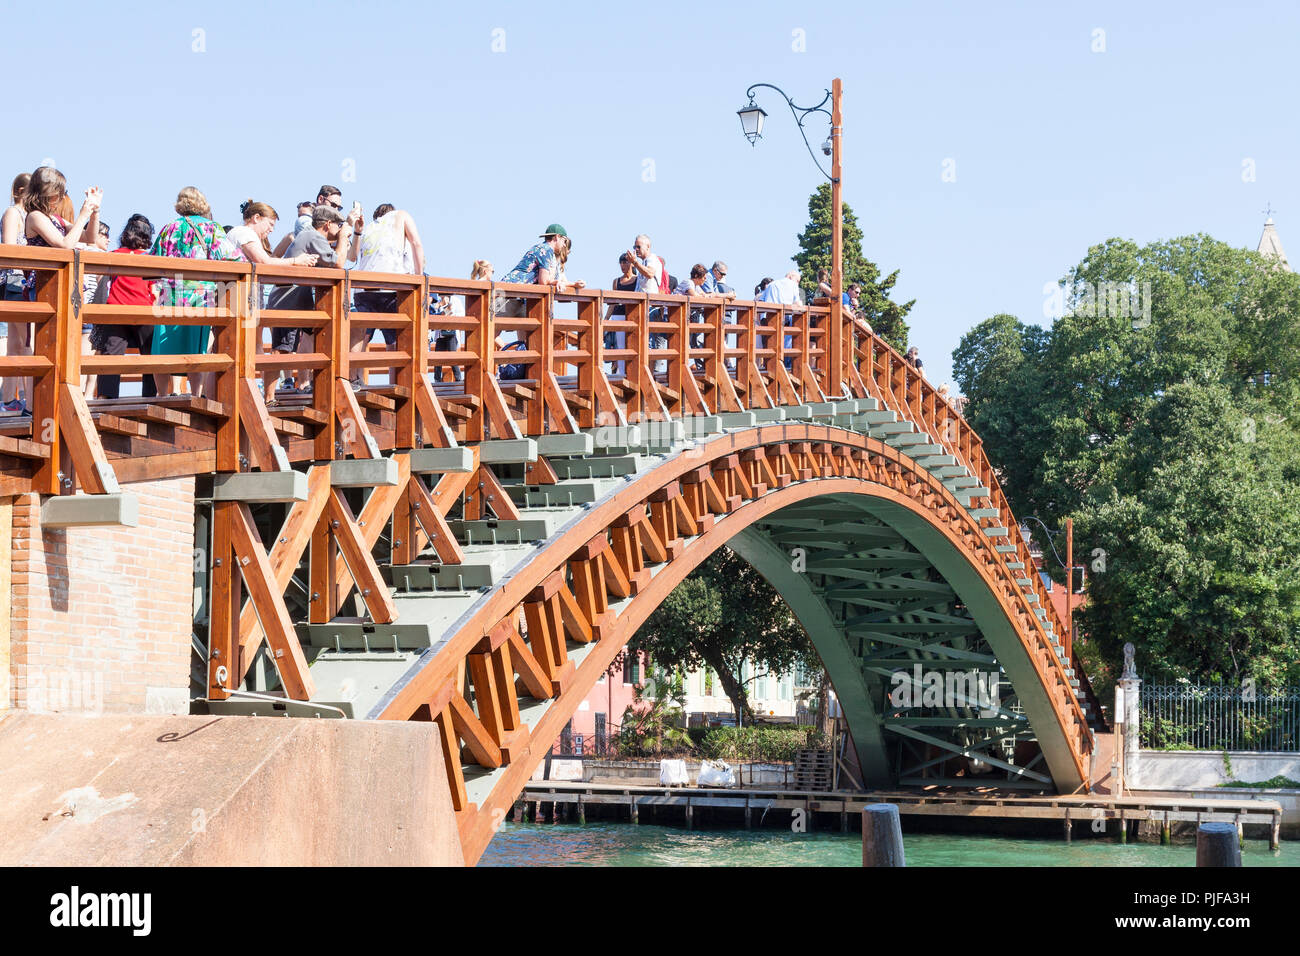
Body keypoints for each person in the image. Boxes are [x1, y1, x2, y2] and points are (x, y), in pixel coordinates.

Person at [150, 186, 242, 397]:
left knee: (163, 348)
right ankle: (196, 394)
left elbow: (152, 259)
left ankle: (162, 394)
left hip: (171, 294)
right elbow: (236, 257)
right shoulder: (211, 228)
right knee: (196, 348)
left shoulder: (169, 228)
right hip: (200, 295)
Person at [266, 204, 360, 395]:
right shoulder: (313, 236)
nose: (341, 229)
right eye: (339, 225)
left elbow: (342, 259)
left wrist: (349, 233)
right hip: (288, 300)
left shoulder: (314, 237)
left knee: (312, 340)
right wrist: (343, 237)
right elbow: (339, 263)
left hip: (297, 300)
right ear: (327, 224)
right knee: (281, 350)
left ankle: (305, 386)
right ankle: (268, 398)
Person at [351, 202, 421, 386]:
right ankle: (396, 383)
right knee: (395, 342)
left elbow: (355, 256)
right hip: (389, 288)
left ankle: (354, 379)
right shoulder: (401, 216)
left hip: (363, 288)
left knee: (362, 337)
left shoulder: (370, 228)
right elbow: (416, 243)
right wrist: (419, 278)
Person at [91, 214, 157, 400]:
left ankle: (106, 398)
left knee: (112, 354)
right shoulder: (150, 258)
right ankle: (150, 398)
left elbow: (100, 279)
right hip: (144, 310)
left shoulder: (114, 255)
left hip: (116, 309)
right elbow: (156, 288)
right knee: (151, 355)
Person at [2, 172, 31, 410]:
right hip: (15, 281)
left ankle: (9, 400)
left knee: (15, 344)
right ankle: (25, 400)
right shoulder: (14, 213)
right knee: (24, 342)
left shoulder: (29, 215)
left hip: (19, 282)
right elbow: (10, 248)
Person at [497, 224, 567, 317]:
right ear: (557, 237)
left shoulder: (542, 249)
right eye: (564, 240)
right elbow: (544, 281)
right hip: (510, 293)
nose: (565, 244)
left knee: (493, 328)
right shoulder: (546, 250)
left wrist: (565, 283)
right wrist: (557, 282)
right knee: (492, 329)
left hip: (512, 292)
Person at [227, 200, 319, 267]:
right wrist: (297, 261)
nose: (271, 230)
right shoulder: (246, 233)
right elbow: (264, 262)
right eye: (270, 224)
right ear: (256, 218)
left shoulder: (241, 232)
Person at [271, 185, 344, 257]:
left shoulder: (334, 226)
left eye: (339, 208)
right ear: (321, 199)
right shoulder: (305, 220)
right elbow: (313, 241)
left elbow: (351, 257)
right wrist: (340, 237)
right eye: (333, 205)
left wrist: (355, 232)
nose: (336, 210)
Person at [603, 253, 638, 376]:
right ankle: (622, 372)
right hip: (618, 315)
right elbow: (612, 302)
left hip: (633, 316)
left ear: (632, 263)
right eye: (621, 263)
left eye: (626, 262)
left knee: (634, 344)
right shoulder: (616, 281)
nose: (623, 265)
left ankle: (633, 372)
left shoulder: (638, 280)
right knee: (621, 345)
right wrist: (606, 318)